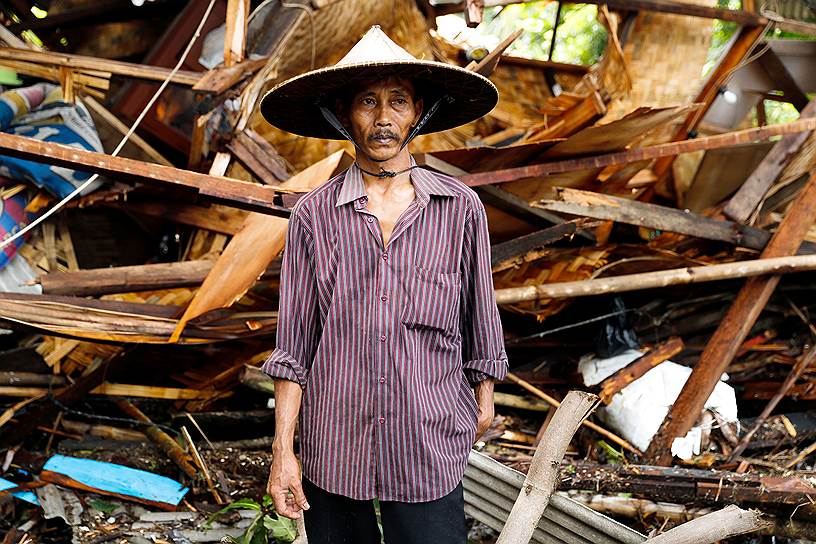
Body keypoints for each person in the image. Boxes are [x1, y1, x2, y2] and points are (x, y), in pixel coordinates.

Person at [259, 26, 508, 544]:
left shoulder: (458, 208)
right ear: (344, 114)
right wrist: (284, 452)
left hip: (427, 436)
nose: (383, 118)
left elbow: (479, 314)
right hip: (335, 440)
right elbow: (293, 347)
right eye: (367, 102)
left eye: (398, 101)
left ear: (419, 112)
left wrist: (483, 399)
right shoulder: (314, 216)